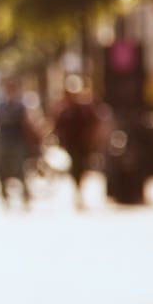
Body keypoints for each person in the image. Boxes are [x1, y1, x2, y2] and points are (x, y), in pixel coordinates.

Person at [52, 77, 99, 209]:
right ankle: (78, 191)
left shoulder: (84, 109)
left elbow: (93, 123)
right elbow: (58, 126)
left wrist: (92, 139)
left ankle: (79, 191)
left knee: (82, 167)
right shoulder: (64, 110)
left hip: (83, 144)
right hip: (71, 144)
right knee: (75, 167)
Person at [0, 76, 36, 209]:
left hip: (17, 139)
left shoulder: (21, 105)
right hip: (4, 139)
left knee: (20, 167)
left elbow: (26, 123)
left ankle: (24, 196)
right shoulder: (1, 105)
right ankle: (4, 195)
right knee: (1, 167)